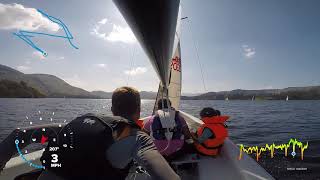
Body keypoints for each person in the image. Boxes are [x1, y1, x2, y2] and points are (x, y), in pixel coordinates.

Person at [0, 87, 180, 180]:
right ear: (139, 110)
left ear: (112, 109)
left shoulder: (73, 124)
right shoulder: (139, 138)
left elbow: (18, 135)